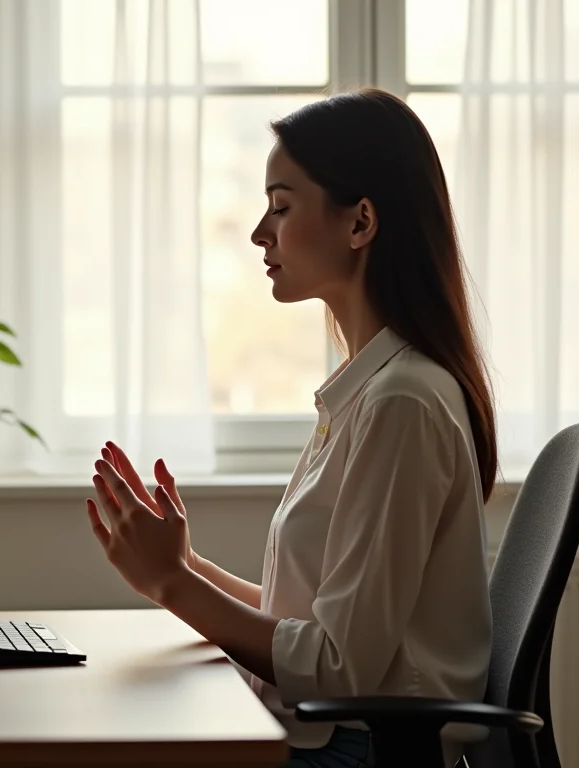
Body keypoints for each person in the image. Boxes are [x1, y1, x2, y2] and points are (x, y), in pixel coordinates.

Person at [85, 88, 496, 768]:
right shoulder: (369, 390)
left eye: (281, 206)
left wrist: (173, 586)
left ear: (360, 222)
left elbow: (341, 670)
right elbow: (315, 621)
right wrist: (184, 568)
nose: (258, 232)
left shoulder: (402, 402)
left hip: (358, 750)